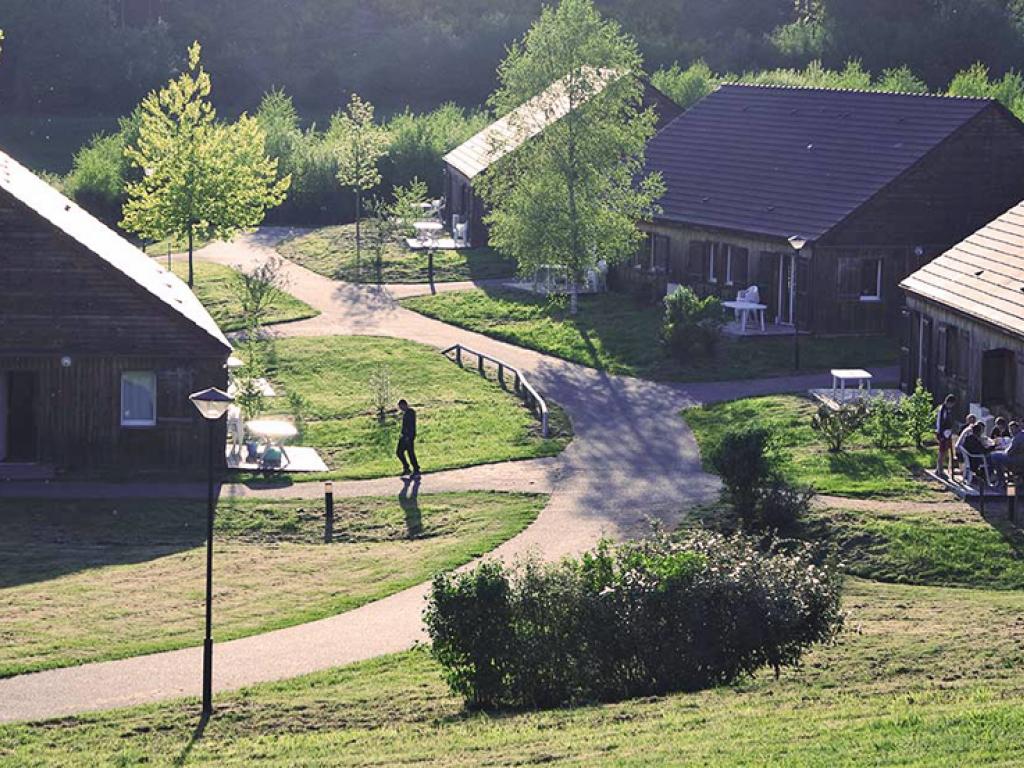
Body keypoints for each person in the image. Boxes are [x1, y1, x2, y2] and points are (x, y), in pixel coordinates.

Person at [396, 399, 420, 478]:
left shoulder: (410, 412)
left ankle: (415, 469)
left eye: (401, 406)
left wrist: (408, 436)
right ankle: (407, 467)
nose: (400, 408)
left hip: (408, 436)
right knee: (400, 452)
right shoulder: (406, 413)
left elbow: (411, 426)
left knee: (410, 453)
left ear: (404, 405)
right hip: (404, 436)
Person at [935, 394, 957, 476]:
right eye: (952, 404)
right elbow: (940, 422)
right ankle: (939, 470)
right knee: (942, 451)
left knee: (945, 451)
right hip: (943, 433)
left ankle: (939, 469)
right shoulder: (942, 410)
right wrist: (940, 434)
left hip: (947, 433)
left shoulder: (947, 409)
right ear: (949, 402)